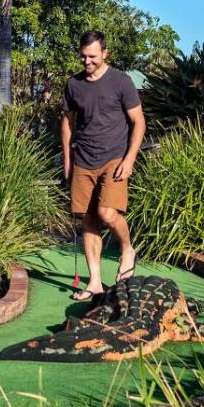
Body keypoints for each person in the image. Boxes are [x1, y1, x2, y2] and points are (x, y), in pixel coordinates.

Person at [61, 29, 144, 303]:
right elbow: (67, 123)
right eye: (83, 56)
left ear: (105, 53)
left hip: (114, 158)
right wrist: (68, 160)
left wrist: (129, 159)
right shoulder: (73, 85)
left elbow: (138, 122)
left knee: (107, 213)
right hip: (83, 159)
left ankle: (127, 249)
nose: (87, 61)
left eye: (93, 56)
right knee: (88, 220)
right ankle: (95, 282)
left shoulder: (121, 82)